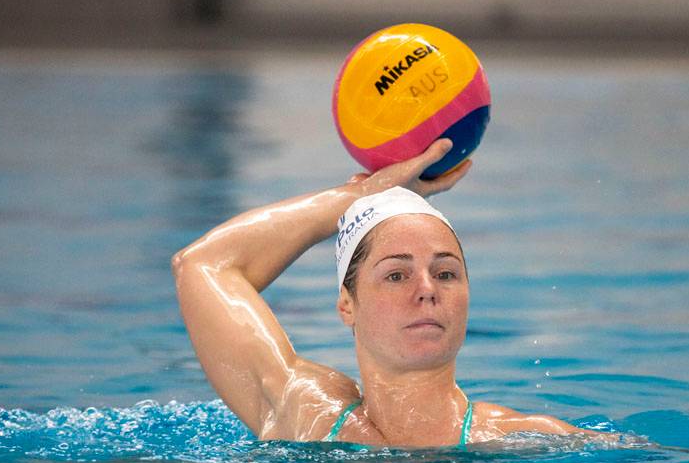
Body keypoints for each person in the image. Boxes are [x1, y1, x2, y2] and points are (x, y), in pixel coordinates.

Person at [172, 139, 619, 447]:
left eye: (445, 274)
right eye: (396, 275)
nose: (426, 290)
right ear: (347, 305)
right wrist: (360, 194)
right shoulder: (308, 415)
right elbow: (202, 264)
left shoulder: (530, 442)